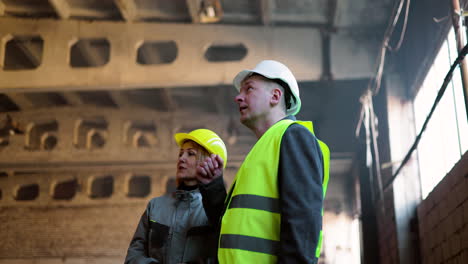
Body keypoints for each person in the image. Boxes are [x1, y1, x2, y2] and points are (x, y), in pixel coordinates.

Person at [196, 60, 330, 264]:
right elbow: (231, 227)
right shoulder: (264, 148)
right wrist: (213, 186)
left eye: (248, 89)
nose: (238, 97)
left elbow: (303, 225)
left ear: (275, 96)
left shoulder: (293, 136)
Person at [125, 129, 228, 264]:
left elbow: (224, 256)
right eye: (181, 153)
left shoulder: (218, 212)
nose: (181, 158)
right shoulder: (155, 206)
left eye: (190, 154)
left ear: (210, 162)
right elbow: (134, 255)